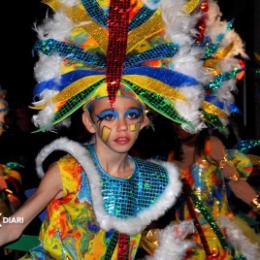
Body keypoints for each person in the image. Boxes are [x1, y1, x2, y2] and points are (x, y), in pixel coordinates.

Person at [0, 0, 209, 258]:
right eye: (108, 116)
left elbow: (137, 241)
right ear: (89, 122)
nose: (121, 126)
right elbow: (14, 226)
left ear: (144, 120)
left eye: (131, 115)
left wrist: (164, 244)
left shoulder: (151, 180)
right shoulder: (68, 172)